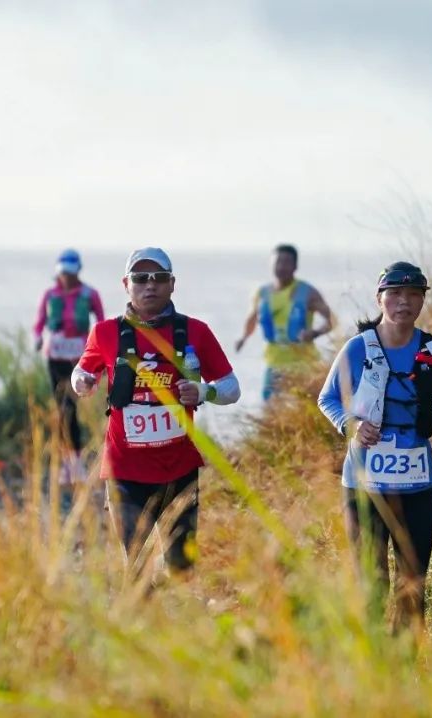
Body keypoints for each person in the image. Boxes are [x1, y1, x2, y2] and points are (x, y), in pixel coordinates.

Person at [317, 261, 432, 628]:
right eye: (395, 294)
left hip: (417, 483)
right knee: (370, 584)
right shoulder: (358, 349)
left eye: (413, 294)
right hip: (363, 483)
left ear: (422, 301)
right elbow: (328, 399)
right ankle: (373, 668)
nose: (404, 302)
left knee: (413, 583)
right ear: (380, 298)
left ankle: (406, 668)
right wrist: (351, 424)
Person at [72, 247, 240, 575]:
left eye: (159, 278)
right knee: (134, 562)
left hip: (178, 469)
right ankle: (137, 612)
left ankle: (158, 588)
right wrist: (83, 381)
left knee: (181, 565)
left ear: (172, 284)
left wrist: (203, 391)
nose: (150, 285)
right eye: (140, 278)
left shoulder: (196, 332)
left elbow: (232, 388)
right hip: (125, 470)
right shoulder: (105, 332)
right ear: (126, 284)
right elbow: (82, 370)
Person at [33, 249, 104, 494]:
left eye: (70, 273)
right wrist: (37, 339)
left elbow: (102, 323)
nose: (66, 278)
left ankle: (74, 464)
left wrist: (102, 350)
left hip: (78, 356)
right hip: (55, 356)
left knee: (70, 408)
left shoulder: (89, 294)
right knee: (61, 409)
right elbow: (40, 322)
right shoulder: (49, 295)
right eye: (63, 273)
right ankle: (68, 464)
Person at [234, 244, 334, 400]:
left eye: (287, 262)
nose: (281, 266)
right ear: (271, 264)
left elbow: (331, 321)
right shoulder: (262, 293)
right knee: (270, 412)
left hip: (303, 364)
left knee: (302, 412)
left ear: (295, 266)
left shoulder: (307, 292)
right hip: (274, 363)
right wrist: (243, 338)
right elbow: (252, 318)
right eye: (278, 261)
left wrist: (314, 333)